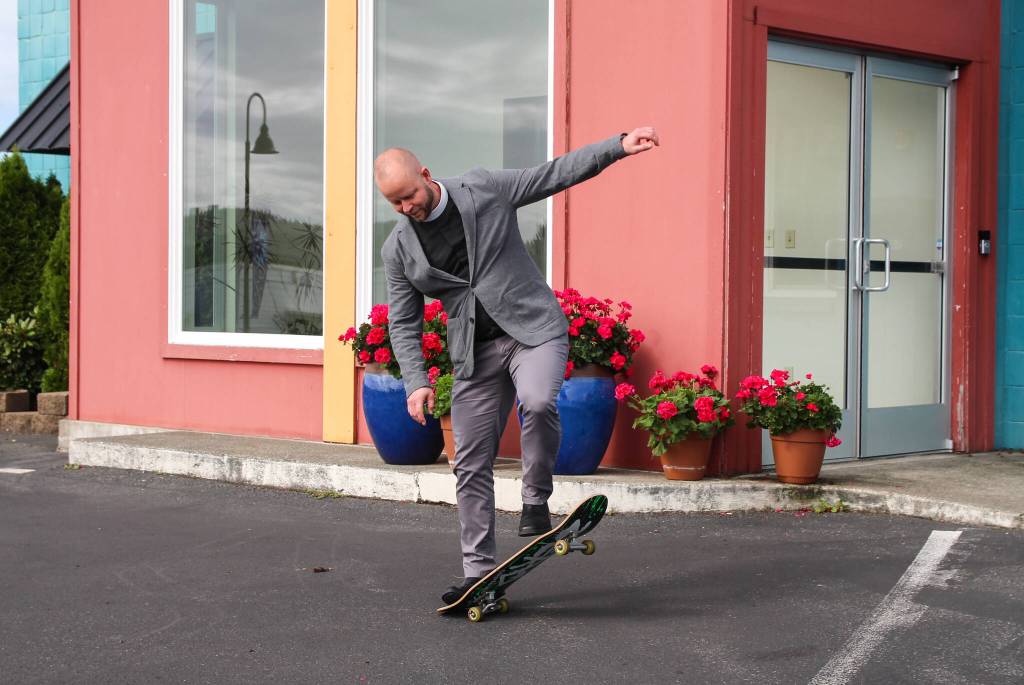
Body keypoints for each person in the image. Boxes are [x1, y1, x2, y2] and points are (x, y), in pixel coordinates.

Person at [374, 127, 659, 603]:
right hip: (474, 352)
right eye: (395, 204)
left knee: (539, 399)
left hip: (533, 330)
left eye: (410, 196)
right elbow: (403, 324)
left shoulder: (483, 188)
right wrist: (416, 383)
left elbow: (551, 175)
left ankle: (534, 498)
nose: (407, 209)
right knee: (468, 461)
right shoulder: (398, 248)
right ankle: (477, 572)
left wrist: (617, 147)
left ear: (426, 175)